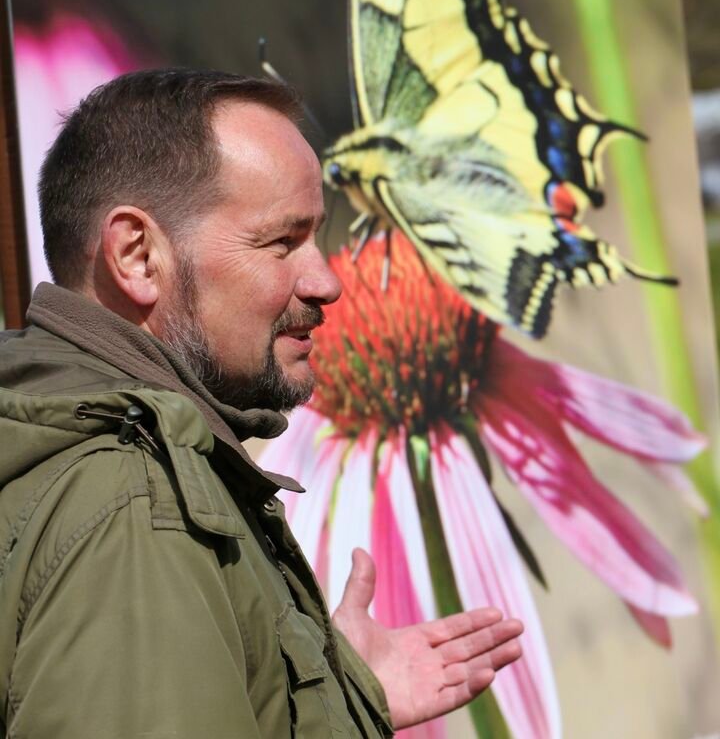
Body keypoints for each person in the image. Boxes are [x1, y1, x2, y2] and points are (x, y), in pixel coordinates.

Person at [0, 68, 523, 738]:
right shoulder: (134, 506)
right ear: (136, 255)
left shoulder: (96, 451)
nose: (328, 280)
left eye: (318, 236)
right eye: (281, 241)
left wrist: (338, 694)